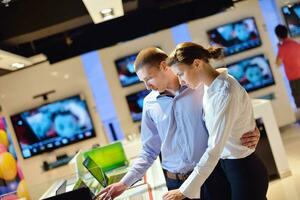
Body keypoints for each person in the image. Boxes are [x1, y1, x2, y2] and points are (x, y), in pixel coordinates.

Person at [96, 47, 260, 200]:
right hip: (175, 182)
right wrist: (124, 183)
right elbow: (148, 151)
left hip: (212, 176)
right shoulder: (149, 104)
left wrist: (250, 130)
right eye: (143, 81)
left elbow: (235, 105)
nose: (147, 87)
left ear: (163, 66)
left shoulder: (200, 86)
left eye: (149, 78)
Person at [164, 42, 269, 200]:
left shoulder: (225, 92)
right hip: (228, 167)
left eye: (180, 74)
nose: (180, 81)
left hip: (244, 170)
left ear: (197, 64)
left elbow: (214, 147)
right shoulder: (209, 86)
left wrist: (184, 190)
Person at [275, 24, 300, 108]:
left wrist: (279, 48)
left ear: (278, 36)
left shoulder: (282, 48)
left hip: (294, 79)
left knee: (299, 100)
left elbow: (278, 64)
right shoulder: (296, 44)